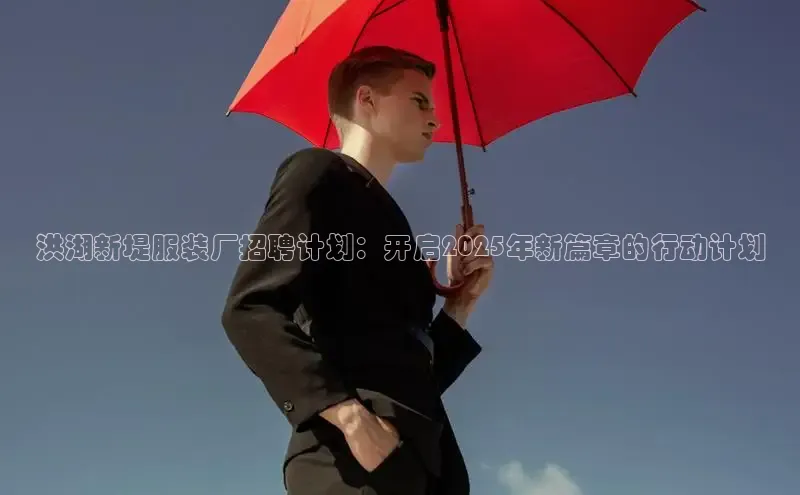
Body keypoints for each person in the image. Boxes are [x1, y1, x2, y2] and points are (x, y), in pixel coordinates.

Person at [220, 45, 494, 495]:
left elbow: (408, 379)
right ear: (366, 99)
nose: (435, 120)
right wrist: (349, 418)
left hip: (417, 467)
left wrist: (461, 306)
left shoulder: (390, 220)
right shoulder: (317, 171)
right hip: (351, 465)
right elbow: (249, 308)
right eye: (419, 101)